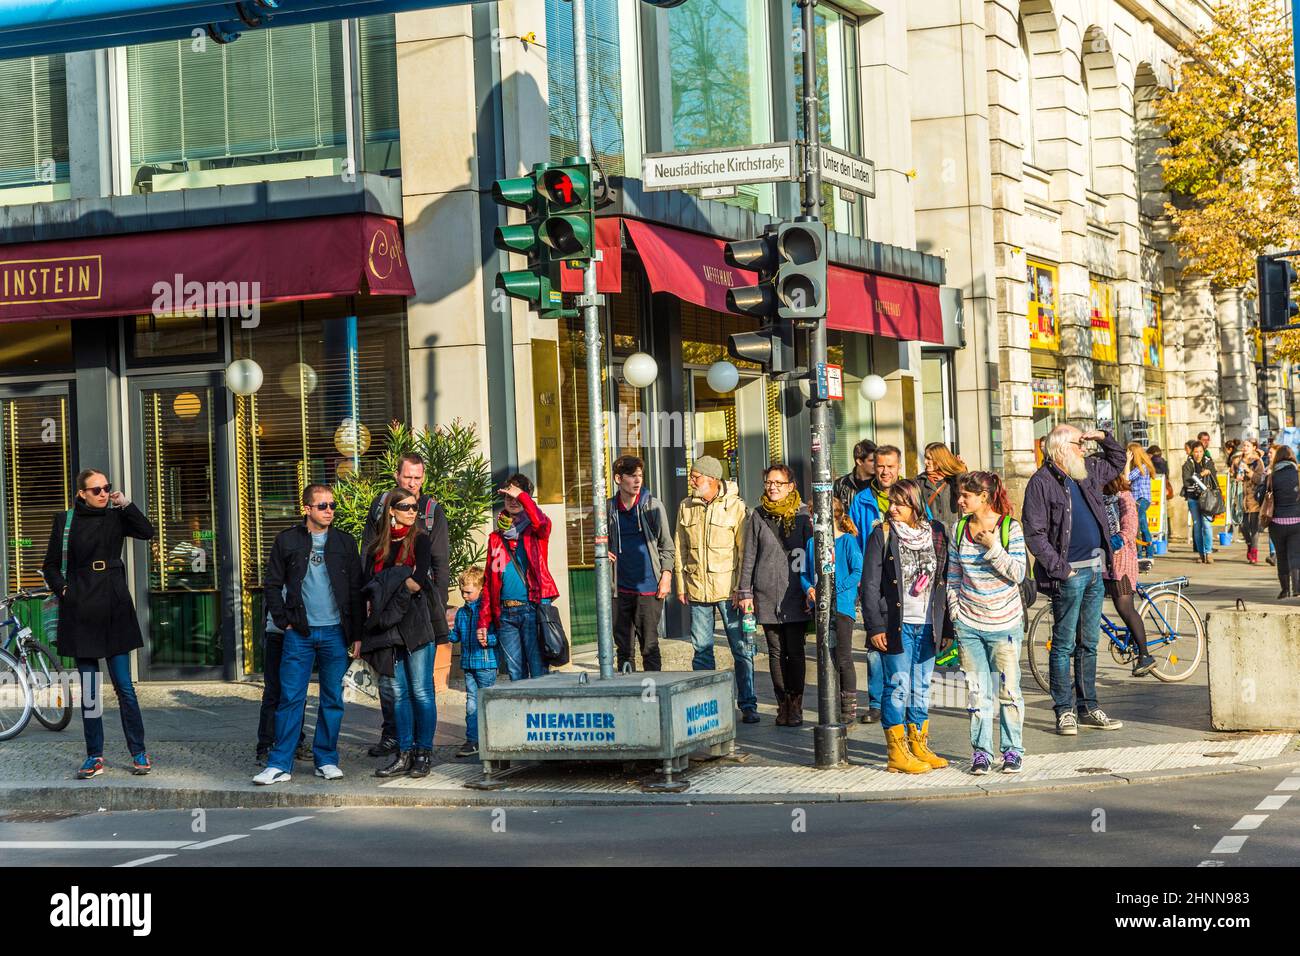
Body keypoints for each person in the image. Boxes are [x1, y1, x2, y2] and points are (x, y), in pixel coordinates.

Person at [41, 470, 157, 780]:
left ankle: (139, 751)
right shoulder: (65, 521)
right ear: (82, 493)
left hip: (114, 606)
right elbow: (49, 565)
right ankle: (94, 756)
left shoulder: (116, 515)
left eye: (106, 488)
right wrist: (64, 589)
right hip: (80, 609)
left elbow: (147, 531)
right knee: (90, 690)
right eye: (97, 490)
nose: (104, 493)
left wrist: (126, 503)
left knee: (124, 686)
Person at [255, 484, 364, 785]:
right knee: (290, 698)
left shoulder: (344, 542)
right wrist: (284, 620)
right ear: (307, 509)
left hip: (334, 633)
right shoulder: (287, 540)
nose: (329, 510)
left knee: (332, 699)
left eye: (331, 505)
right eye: (322, 506)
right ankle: (279, 764)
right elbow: (272, 585)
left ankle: (326, 759)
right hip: (299, 633)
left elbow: (355, 591)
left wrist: (357, 634)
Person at [1023, 424, 1127, 736]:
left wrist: (1102, 437)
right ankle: (1064, 709)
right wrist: (1061, 568)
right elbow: (1034, 532)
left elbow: (1118, 461)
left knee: (1090, 643)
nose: (1083, 449)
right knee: (1064, 643)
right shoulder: (1041, 483)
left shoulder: (1087, 471)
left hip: (1095, 570)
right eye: (1077, 443)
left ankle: (1088, 706)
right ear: (1060, 450)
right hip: (1068, 575)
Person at [360, 452, 451, 759]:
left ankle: (420, 751)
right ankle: (396, 740)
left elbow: (435, 568)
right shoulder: (379, 517)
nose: (413, 484)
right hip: (388, 619)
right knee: (393, 688)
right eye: (408, 477)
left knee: (420, 689)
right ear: (397, 477)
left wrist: (435, 609)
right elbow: (369, 567)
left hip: (417, 616)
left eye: (418, 478)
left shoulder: (430, 515)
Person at [861, 478, 950, 774]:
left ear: (914, 505)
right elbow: (870, 586)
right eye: (891, 503)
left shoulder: (936, 532)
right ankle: (896, 753)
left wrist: (946, 627)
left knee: (921, 686)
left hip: (928, 623)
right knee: (898, 686)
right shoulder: (883, 534)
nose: (893, 509)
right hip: (897, 624)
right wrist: (874, 627)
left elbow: (944, 581)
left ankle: (918, 745)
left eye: (900, 503)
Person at [947, 471, 1028, 774]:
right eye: (959, 494)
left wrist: (994, 546)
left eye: (965, 495)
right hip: (969, 623)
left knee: (1008, 691)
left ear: (983, 497)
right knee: (977, 692)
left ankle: (1012, 751)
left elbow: (1018, 573)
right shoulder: (958, 530)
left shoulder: (1009, 528)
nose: (959, 500)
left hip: (1004, 623)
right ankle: (981, 752)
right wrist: (956, 612)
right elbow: (953, 575)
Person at [675, 456, 758, 724]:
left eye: (695, 476)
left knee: (741, 649)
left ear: (711, 479)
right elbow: (680, 549)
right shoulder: (686, 507)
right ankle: (707, 703)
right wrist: (681, 585)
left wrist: (742, 589)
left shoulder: (735, 507)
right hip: (697, 588)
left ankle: (748, 704)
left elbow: (745, 552)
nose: (691, 481)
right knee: (701, 649)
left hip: (729, 591)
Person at [738, 464, 814, 727]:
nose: (772, 487)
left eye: (778, 483)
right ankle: (782, 704)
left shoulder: (804, 516)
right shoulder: (757, 515)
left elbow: (811, 555)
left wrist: (811, 588)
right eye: (769, 482)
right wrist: (745, 591)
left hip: (797, 593)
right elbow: (749, 556)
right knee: (775, 651)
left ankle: (796, 705)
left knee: (795, 650)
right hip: (766, 592)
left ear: (791, 486)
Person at [481, 473, 559, 680]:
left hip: (532, 609)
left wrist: (523, 496)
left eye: (518, 497)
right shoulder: (496, 538)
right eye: (509, 497)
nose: (513, 502)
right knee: (516, 675)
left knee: (538, 672)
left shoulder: (536, 531)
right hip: (506, 614)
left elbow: (540, 522)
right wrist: (484, 620)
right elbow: (489, 581)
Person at [850, 444, 904, 723]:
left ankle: (900, 698)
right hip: (873, 580)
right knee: (874, 644)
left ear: (899, 468)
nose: (884, 471)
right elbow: (854, 539)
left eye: (890, 466)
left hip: (902, 583)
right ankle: (875, 702)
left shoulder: (908, 496)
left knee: (901, 641)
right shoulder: (862, 500)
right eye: (880, 465)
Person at [606, 455, 675, 672]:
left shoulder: (652, 506)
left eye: (640, 476)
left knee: (649, 646)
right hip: (620, 589)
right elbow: (598, 541)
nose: (637, 481)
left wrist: (666, 576)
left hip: (648, 588)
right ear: (618, 478)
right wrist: (602, 552)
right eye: (632, 476)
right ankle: (630, 695)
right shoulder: (609, 508)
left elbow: (667, 544)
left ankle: (654, 698)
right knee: (624, 649)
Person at [800, 498, 863, 722]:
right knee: (826, 655)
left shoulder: (847, 541)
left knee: (843, 656)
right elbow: (805, 573)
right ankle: (832, 702)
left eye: (814, 515)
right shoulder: (811, 543)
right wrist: (809, 589)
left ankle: (849, 707)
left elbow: (858, 570)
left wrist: (835, 589)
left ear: (830, 516)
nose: (810, 519)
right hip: (821, 608)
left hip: (843, 607)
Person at [1102, 474, 1157, 676]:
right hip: (1101, 559)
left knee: (1124, 606)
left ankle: (1145, 655)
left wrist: (1115, 542)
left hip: (1122, 560)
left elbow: (1129, 528)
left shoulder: (1124, 496)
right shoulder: (1097, 497)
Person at [449, 566, 497, 759]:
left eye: (468, 592)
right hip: (469, 664)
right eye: (462, 592)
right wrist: (444, 632)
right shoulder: (461, 613)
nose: (464, 596)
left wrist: (489, 640)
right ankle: (473, 740)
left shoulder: (486, 610)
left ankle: (490, 737)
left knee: (486, 702)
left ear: (480, 589)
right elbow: (456, 636)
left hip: (485, 664)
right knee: (471, 703)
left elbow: (497, 636)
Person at [1265, 445, 1300, 598]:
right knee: (1295, 555)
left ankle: (1285, 590)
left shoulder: (1271, 477)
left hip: (1277, 523)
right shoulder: (1298, 475)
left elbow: (1262, 498)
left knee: (1281, 555)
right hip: (1297, 523)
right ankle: (1297, 588)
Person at [1181, 440, 1217, 563]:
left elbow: (1215, 480)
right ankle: (1201, 553)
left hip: (1207, 498)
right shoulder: (1187, 465)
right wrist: (1201, 475)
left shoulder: (1209, 462)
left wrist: (1207, 473)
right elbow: (1186, 482)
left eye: (1200, 451)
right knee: (1197, 525)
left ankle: (1209, 552)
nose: (1198, 454)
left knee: (1207, 525)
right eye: (1196, 451)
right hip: (1193, 498)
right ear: (1192, 452)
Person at [919, 441, 965, 531]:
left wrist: (960, 471)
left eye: (929, 459)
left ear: (940, 459)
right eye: (925, 458)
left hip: (952, 535)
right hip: (930, 537)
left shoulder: (954, 480)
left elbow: (964, 491)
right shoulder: (919, 482)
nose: (925, 462)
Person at [1237, 440, 1267, 564]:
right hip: (1241, 497)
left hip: (1254, 497)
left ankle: (1254, 551)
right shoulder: (1238, 460)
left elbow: (1260, 479)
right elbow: (1235, 474)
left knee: (1254, 527)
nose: (1245, 448)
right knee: (1243, 526)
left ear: (1254, 447)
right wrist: (1235, 477)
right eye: (1244, 445)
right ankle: (1249, 544)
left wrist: (1248, 471)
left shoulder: (1257, 462)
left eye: (1248, 446)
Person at [1126, 443, 1156, 560]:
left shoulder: (1141, 467)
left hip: (1140, 500)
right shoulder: (1143, 467)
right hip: (1142, 500)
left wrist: (1127, 462)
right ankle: (1147, 553)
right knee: (1142, 525)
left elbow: (1127, 478)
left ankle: (1142, 554)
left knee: (1139, 526)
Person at [834, 439, 876, 517]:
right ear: (859, 461)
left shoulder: (879, 483)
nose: (876, 464)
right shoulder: (840, 484)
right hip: (848, 528)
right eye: (871, 461)